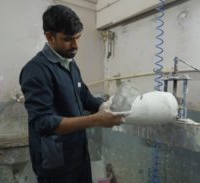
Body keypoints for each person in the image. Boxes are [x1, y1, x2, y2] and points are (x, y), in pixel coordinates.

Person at [19, 5, 124, 183]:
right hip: (56, 165)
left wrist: (105, 106)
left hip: (78, 156)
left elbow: (84, 97)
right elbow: (43, 122)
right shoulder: (36, 70)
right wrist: (97, 119)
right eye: (68, 39)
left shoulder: (70, 64)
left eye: (77, 38)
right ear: (50, 37)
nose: (75, 45)